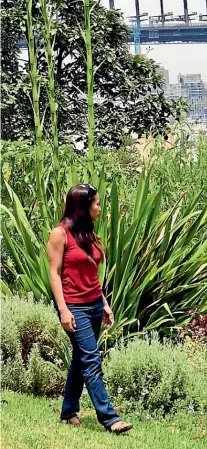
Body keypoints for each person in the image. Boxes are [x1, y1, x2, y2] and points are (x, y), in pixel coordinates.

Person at [46, 183, 132, 434]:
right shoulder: (59, 234)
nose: (100, 207)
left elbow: (92, 273)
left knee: (80, 359)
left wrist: (103, 303)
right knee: (92, 359)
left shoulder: (88, 234)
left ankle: (69, 411)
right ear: (83, 206)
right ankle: (110, 418)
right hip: (75, 307)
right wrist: (63, 309)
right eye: (96, 203)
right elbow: (54, 273)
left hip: (94, 305)